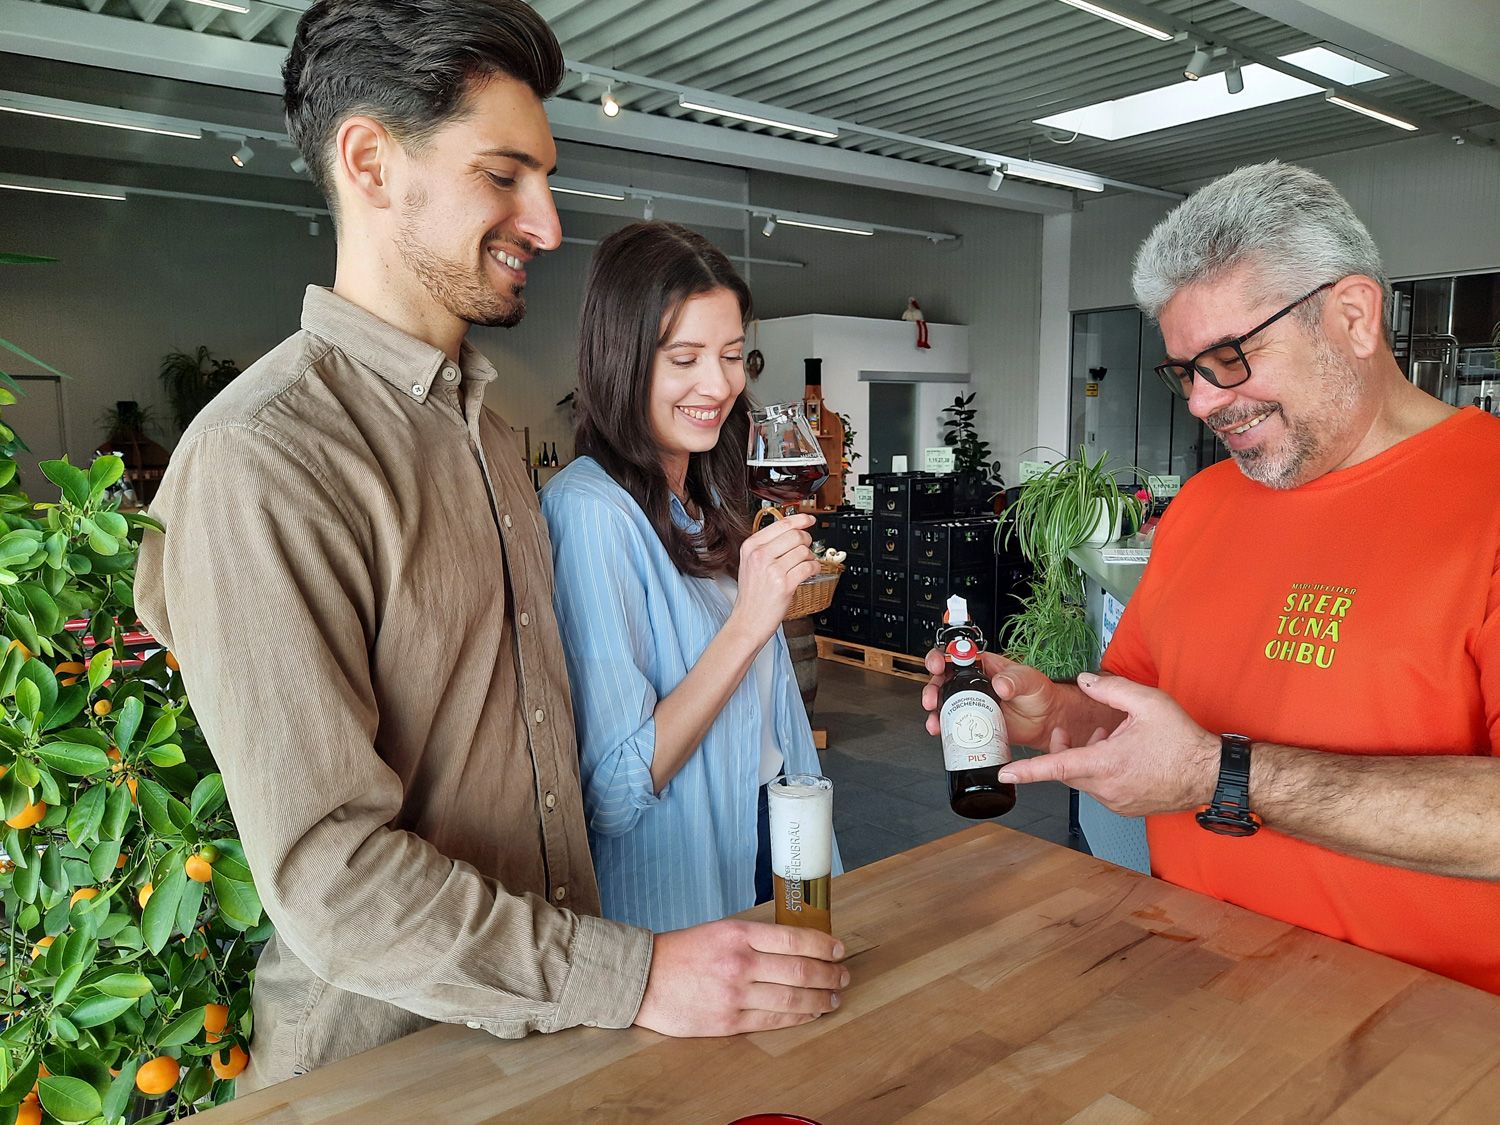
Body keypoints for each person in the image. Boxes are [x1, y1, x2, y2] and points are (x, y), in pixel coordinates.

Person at [134, 0, 846, 1092]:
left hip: (551, 1032)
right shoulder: (266, 457)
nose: (550, 224)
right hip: (394, 1067)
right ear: (371, 162)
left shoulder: (488, 436)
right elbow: (333, 875)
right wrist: (632, 977)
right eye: (505, 175)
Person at [924, 161, 1500, 993]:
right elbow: (1140, 718)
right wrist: (1055, 710)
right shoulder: (1204, 503)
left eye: (1229, 357)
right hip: (1192, 977)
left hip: (1427, 1034)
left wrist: (1221, 775)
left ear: (1353, 316)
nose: (1200, 401)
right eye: (1185, 368)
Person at [541, 222, 839, 932]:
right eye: (686, 358)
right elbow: (612, 789)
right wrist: (748, 623)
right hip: (687, 888)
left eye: (733, 356)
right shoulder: (590, 513)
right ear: (623, 358)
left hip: (773, 829)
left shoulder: (707, 498)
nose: (720, 384)